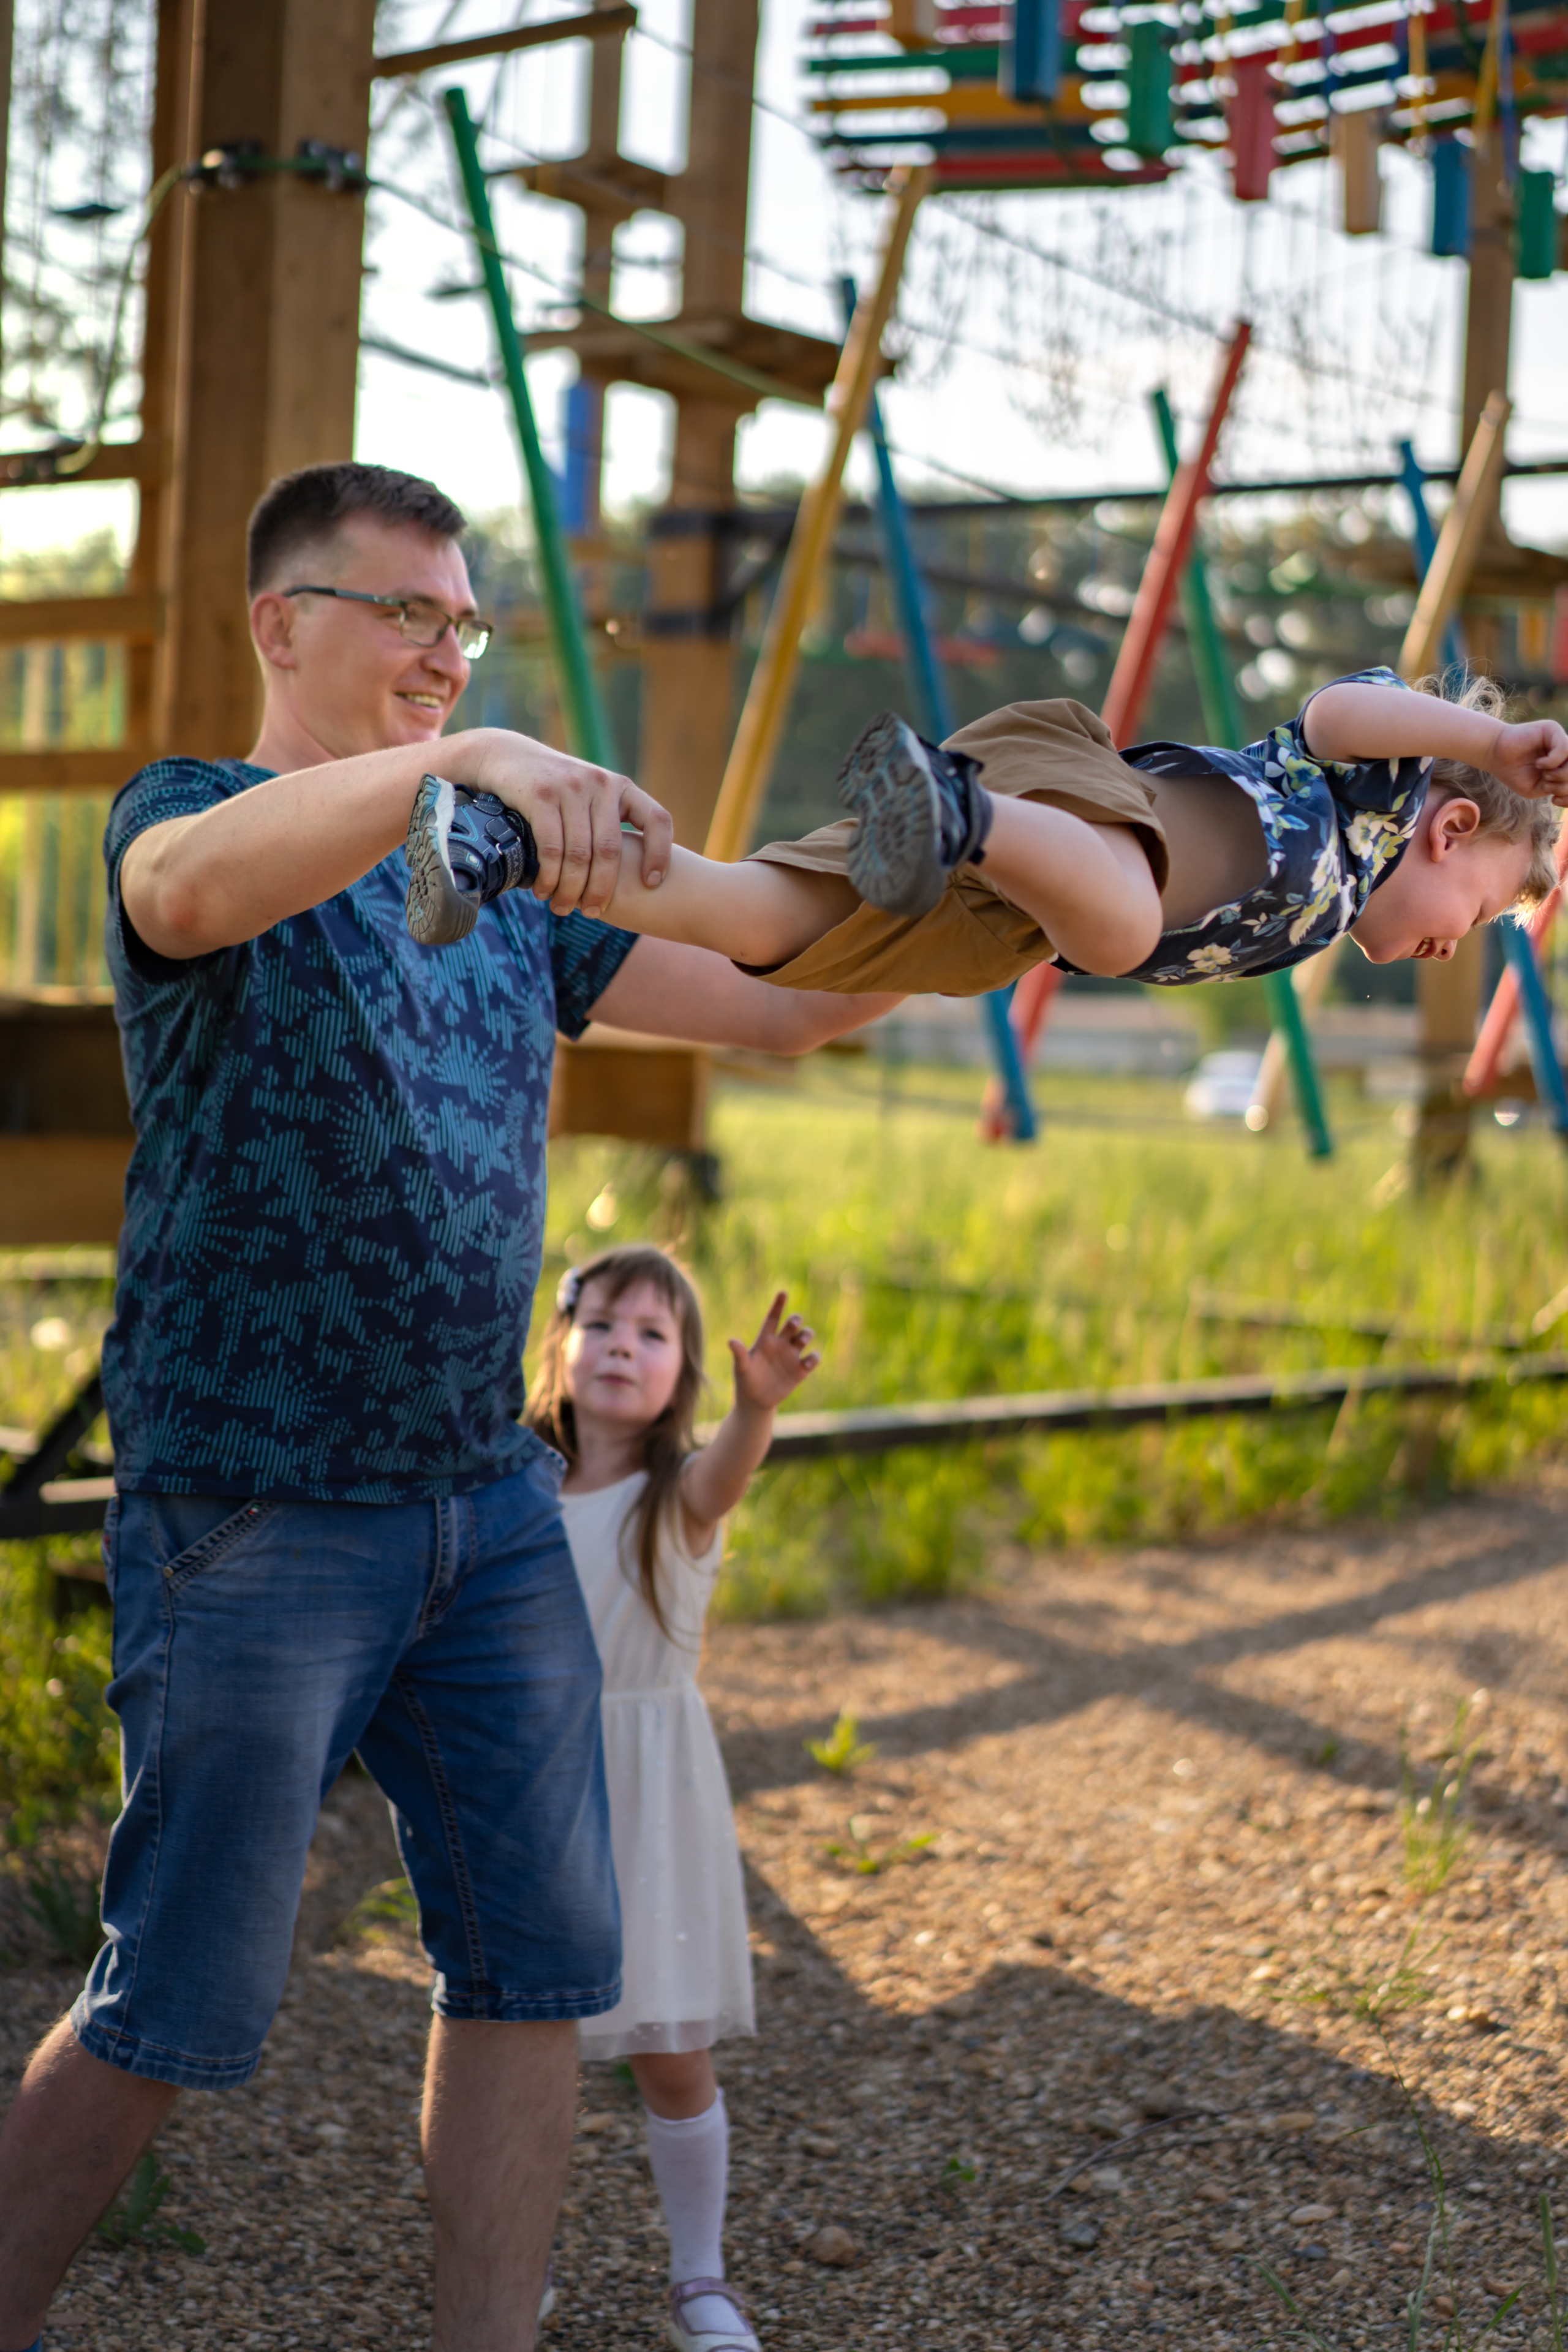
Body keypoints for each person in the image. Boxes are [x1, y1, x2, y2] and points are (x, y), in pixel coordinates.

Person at [0, 461, 897, 2352]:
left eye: (459, 622)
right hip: (255, 1516)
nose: (438, 647)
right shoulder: (194, 817)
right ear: (282, 625)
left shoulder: (502, 893)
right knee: (178, 1997)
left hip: (482, 1513)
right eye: (404, 610)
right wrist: (467, 761)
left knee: (536, 1973)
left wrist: (1005, 887)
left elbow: (785, 1000)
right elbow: (183, 888)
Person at [410, 667, 1568, 994]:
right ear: (1452, 829)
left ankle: (501, 846)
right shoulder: (1374, 795)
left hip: (1008, 910)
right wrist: (1493, 744)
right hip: (1066, 812)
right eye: (1484, 911)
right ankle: (950, 807)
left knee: (750, 918)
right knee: (1116, 935)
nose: (1458, 943)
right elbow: (1332, 711)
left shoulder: (1315, 928)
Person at [525, 1246, 817, 2352]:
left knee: (668, 2049)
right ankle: (519, 2258)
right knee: (523, 2045)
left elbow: (727, 1473)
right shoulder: (515, 1485)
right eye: (602, 1324)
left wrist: (756, 1411)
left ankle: (701, 2278)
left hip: (646, 1791)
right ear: (561, 1342)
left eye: (653, 1335)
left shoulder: (673, 1497)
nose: (622, 1348)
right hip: (533, 1780)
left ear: (685, 1373)